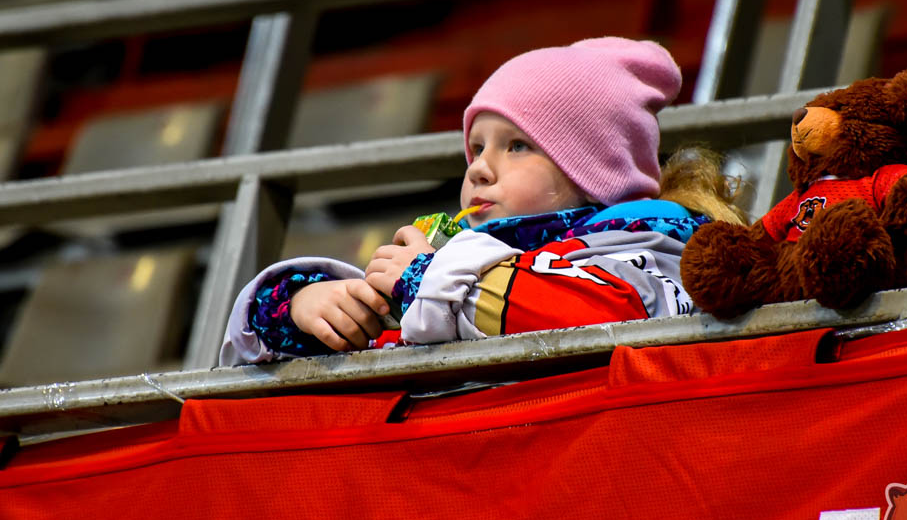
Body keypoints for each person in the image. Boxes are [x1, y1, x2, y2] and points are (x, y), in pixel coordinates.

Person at [219, 37, 744, 366]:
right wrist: (304, 307)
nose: (479, 167)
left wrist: (427, 282)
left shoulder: (650, 245)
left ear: (595, 171)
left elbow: (596, 313)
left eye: (518, 146)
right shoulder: (454, 264)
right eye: (476, 147)